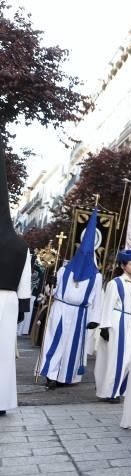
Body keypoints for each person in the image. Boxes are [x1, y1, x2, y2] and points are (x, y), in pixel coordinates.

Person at [38, 210, 103, 388]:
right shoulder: (64, 271)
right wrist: (50, 282)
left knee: (71, 346)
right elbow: (51, 292)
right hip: (60, 309)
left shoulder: (96, 277)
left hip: (80, 314)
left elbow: (98, 299)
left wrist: (95, 319)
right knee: (55, 340)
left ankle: (66, 376)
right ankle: (50, 374)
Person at [0, 140, 32, 416]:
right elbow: (25, 282)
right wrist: (22, 308)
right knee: (4, 354)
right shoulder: (21, 245)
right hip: (9, 301)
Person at [94, 250, 131, 402]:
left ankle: (120, 389)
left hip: (130, 323)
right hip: (117, 322)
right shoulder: (115, 283)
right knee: (117, 358)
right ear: (123, 265)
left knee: (129, 358)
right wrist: (104, 326)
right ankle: (110, 392)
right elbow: (107, 305)